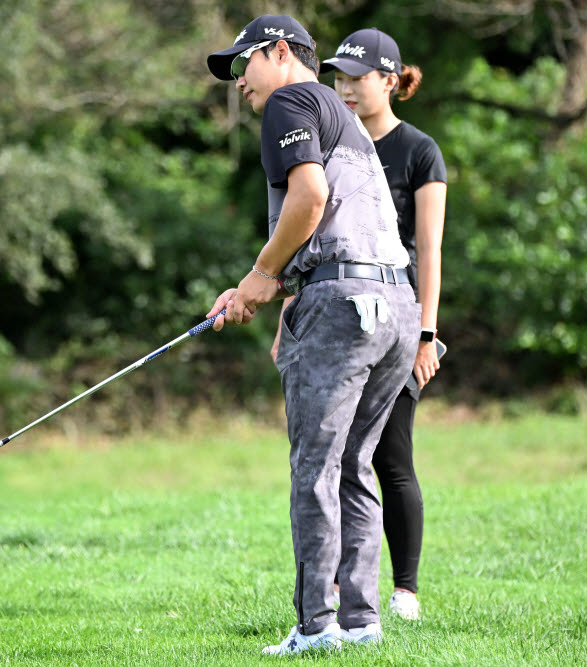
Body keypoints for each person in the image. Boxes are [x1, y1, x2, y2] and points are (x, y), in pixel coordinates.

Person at [206, 15, 420, 655]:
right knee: (353, 467)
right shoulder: (343, 110)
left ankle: (317, 627)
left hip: (345, 310)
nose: (240, 83)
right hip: (396, 308)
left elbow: (309, 198)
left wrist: (260, 274)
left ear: (278, 52)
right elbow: (340, 218)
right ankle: (360, 624)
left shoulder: (290, 100)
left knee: (316, 470)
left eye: (244, 65)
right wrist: (278, 289)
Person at [316, 27, 448, 621]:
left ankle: (406, 589)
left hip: (398, 322)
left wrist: (426, 333)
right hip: (337, 321)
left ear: (390, 82)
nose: (344, 88)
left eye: (356, 78)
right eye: (338, 78)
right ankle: (344, 584)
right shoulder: (328, 146)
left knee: (390, 456)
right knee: (338, 452)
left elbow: (429, 249)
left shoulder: (419, 151)